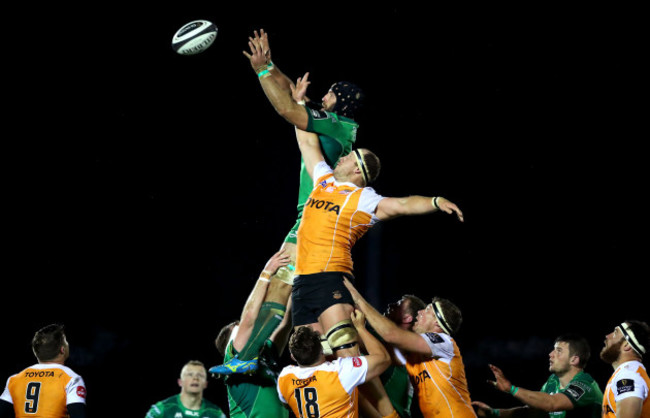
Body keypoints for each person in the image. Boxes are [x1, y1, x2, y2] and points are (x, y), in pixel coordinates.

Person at [214, 28, 366, 376]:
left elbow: (287, 108)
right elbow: (291, 92)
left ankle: (248, 359)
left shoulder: (335, 126)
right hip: (317, 220)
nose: (323, 95)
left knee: (279, 283)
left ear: (338, 101)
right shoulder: (338, 124)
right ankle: (267, 357)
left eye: (329, 93)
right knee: (290, 292)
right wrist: (271, 65)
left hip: (311, 221)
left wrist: (261, 72)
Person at [344, 279, 475, 418]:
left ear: (437, 323)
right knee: (359, 379)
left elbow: (391, 335)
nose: (420, 313)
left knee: (356, 386)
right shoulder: (418, 354)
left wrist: (356, 297)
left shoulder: (445, 342)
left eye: (427, 310)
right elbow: (384, 354)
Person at [212, 250, 294, 418]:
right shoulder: (235, 355)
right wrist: (266, 273)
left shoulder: (266, 354)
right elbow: (249, 317)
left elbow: (285, 322)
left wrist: (295, 281)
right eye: (238, 328)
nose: (243, 328)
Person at [277, 310, 392, 417]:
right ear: (322, 349)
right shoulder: (340, 372)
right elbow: (384, 358)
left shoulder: (284, 378)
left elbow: (287, 404)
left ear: (292, 356)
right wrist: (361, 328)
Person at [472, 334, 603, 418]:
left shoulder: (586, 385)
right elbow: (533, 411)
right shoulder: (552, 382)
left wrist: (511, 389)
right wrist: (493, 413)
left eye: (558, 351)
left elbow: (552, 404)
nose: (551, 354)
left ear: (574, 360)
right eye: (553, 349)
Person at [0, 324, 87, 418]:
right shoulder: (71, 379)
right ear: (62, 350)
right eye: (65, 341)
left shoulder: (14, 380)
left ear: (36, 351)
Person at [372, 295, 427, 418]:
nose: (390, 305)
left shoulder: (400, 359)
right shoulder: (379, 337)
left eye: (398, 304)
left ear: (407, 318)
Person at [600, 320, 650, 418]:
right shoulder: (628, 372)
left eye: (615, 333)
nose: (607, 336)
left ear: (626, 345)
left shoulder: (628, 375)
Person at [144, 360, 226, 418]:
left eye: (200, 375)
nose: (195, 378)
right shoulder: (162, 409)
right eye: (190, 374)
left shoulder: (216, 413)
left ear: (205, 384)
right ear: (180, 382)